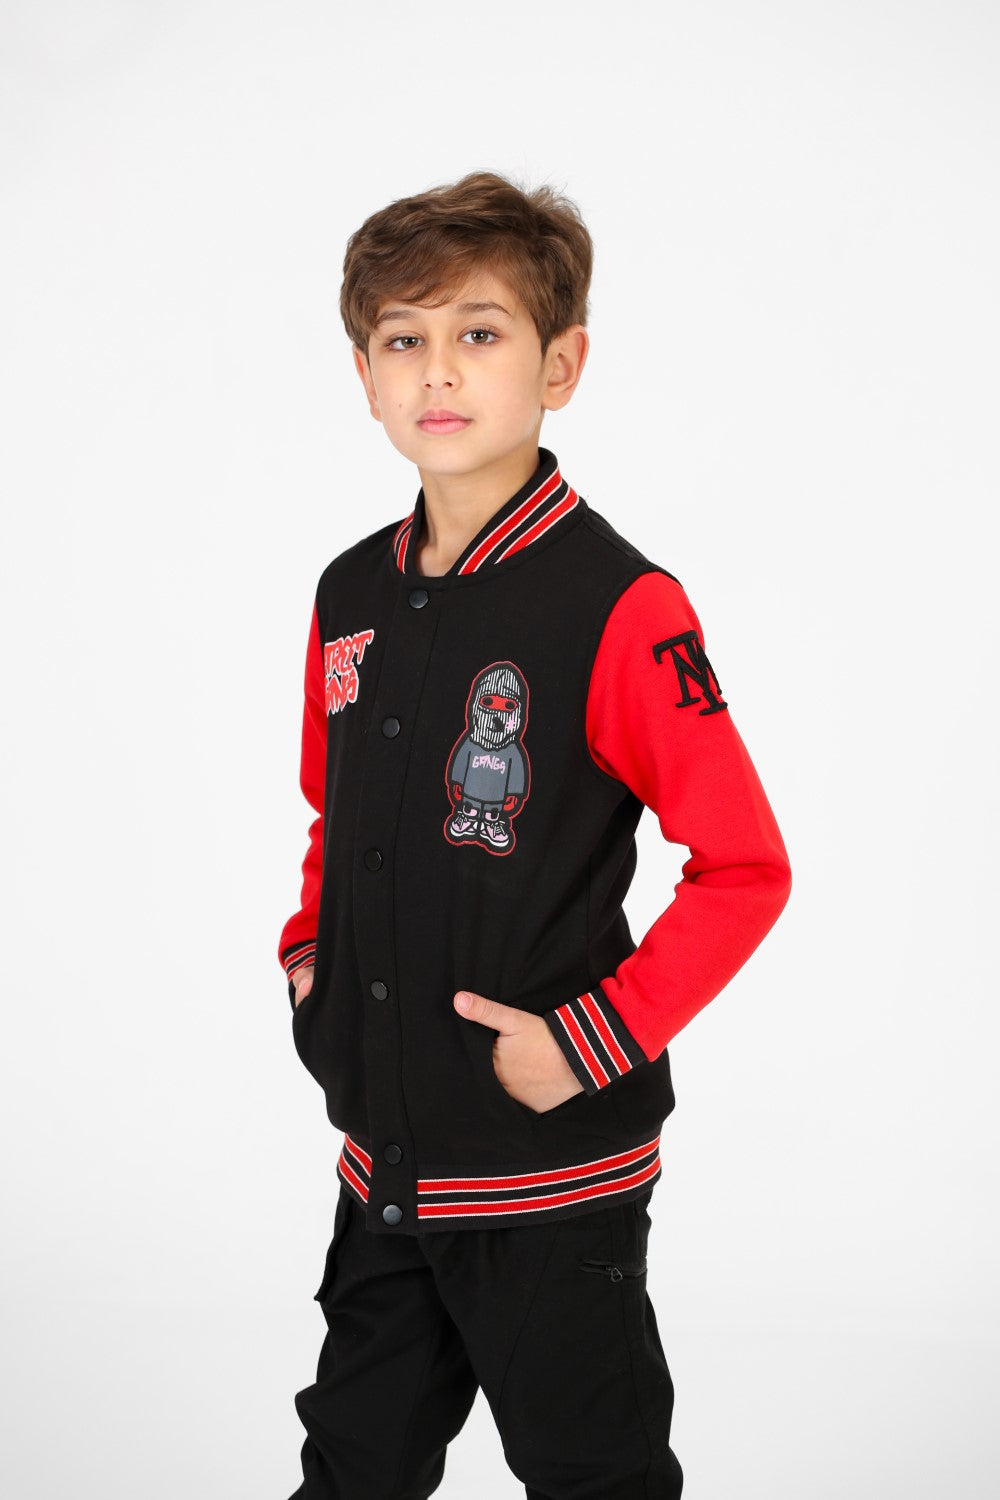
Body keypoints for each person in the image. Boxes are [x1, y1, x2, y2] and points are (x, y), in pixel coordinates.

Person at [277, 169, 792, 1500]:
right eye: (403, 338)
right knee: (352, 1465)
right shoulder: (348, 592)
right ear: (364, 375)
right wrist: (311, 962)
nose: (438, 370)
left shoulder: (619, 605)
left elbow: (744, 869)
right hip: (386, 1161)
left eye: (479, 332)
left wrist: (591, 1042)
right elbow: (335, 811)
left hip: (553, 1176)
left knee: (592, 1472)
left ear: (560, 364)